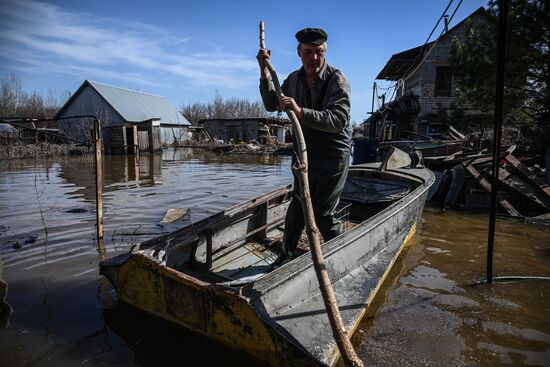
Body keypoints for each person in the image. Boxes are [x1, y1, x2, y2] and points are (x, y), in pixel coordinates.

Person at [257, 27, 351, 264]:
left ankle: (339, 259)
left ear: (325, 51)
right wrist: (263, 70)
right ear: (299, 52)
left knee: (323, 214)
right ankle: (286, 255)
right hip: (304, 153)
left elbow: (339, 119)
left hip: (333, 155)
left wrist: (300, 112)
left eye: (319, 52)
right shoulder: (293, 80)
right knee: (297, 205)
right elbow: (270, 103)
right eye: (309, 52)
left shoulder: (336, 79)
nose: (314, 58)